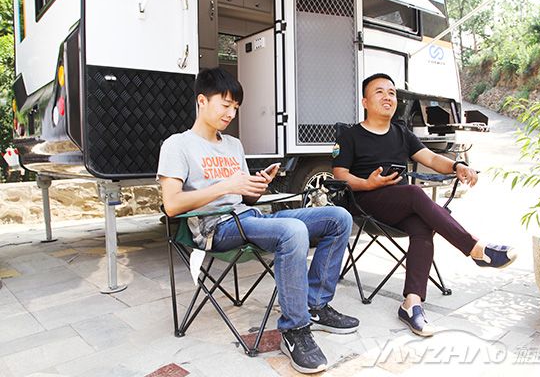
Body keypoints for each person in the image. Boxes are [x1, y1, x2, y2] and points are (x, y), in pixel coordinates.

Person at [157, 67, 359, 374]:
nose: (231, 113)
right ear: (202, 101)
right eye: (225, 104)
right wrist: (226, 185)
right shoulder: (177, 145)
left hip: (248, 216)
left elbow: (245, 199)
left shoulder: (233, 145)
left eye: (236, 107)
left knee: (338, 217)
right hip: (215, 227)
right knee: (292, 231)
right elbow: (172, 205)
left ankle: (316, 305)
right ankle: (294, 329)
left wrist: (257, 185)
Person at [332, 73, 517, 337]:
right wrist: (368, 183)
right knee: (415, 193)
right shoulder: (351, 136)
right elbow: (340, 175)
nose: (388, 97)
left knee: (422, 226)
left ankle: (411, 303)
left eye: (392, 93)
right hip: (365, 203)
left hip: (401, 204)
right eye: (379, 92)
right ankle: (475, 248)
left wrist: (457, 165)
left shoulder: (401, 132)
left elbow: (430, 158)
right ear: (364, 101)